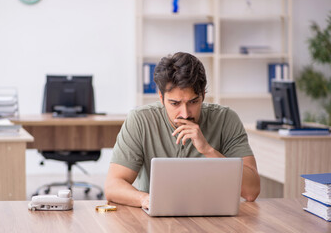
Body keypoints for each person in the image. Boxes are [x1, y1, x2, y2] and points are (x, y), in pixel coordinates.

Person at [105, 52, 260, 209]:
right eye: (174, 103)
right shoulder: (140, 120)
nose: (185, 114)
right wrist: (145, 199)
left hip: (215, 217)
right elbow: (113, 186)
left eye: (193, 102)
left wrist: (208, 150)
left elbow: (251, 191)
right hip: (156, 221)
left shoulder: (226, 119)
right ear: (161, 97)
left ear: (203, 95)